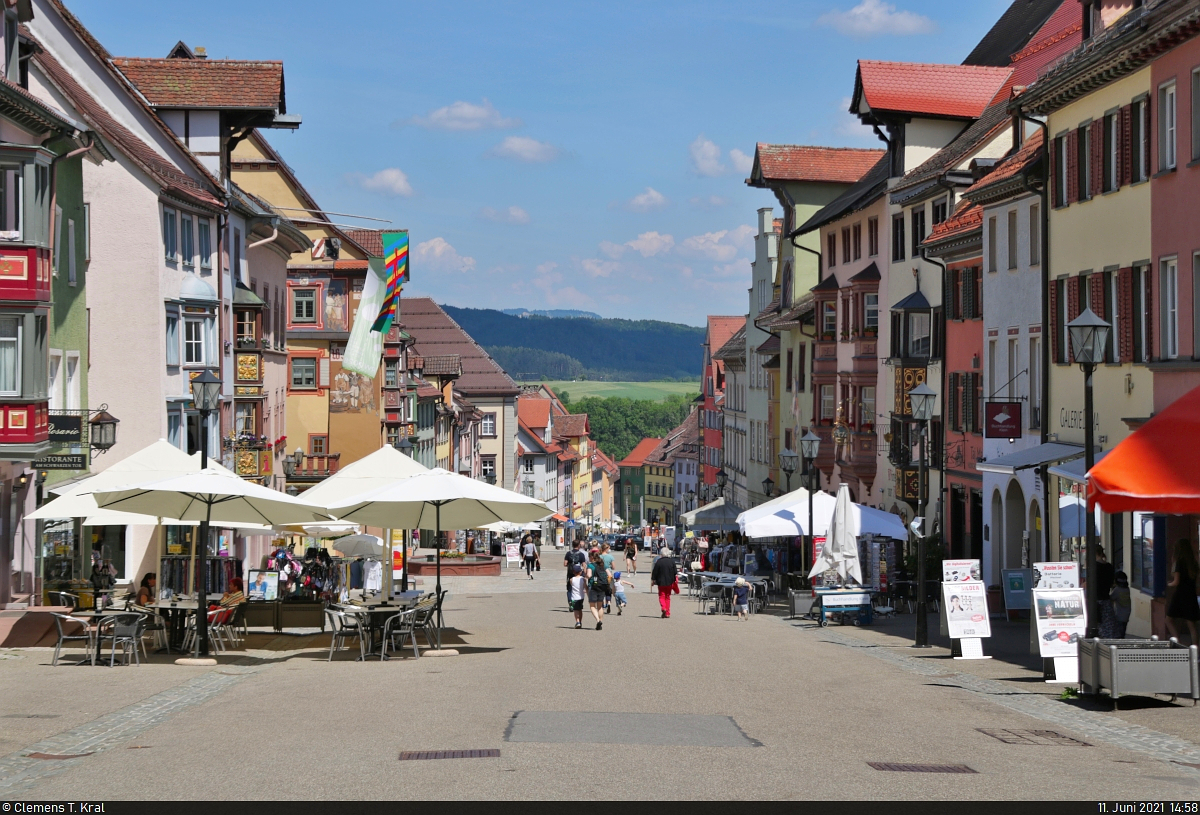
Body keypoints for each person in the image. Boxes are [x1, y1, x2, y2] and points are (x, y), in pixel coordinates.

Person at [1166, 538, 1200, 644]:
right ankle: (1196, 649)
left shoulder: (1179, 562)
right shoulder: (1193, 563)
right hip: (1191, 595)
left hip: (1180, 595)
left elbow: (1176, 582)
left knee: (1169, 619)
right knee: (1191, 624)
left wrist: (1168, 584)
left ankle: (1178, 642)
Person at [651, 547, 678, 618]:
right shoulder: (672, 561)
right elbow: (675, 572)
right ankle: (668, 613)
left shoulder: (659, 561)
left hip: (661, 582)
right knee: (668, 597)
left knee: (661, 596)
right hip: (670, 582)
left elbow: (655, 572)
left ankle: (663, 608)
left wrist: (653, 580)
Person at [586, 549, 610, 630]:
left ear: (592, 557)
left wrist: (585, 576)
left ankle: (598, 620)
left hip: (593, 586)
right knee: (600, 606)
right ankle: (601, 621)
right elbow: (610, 575)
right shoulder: (603, 565)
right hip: (602, 586)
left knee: (592, 606)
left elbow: (589, 575)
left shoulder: (590, 565)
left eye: (589, 556)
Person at [563, 541, 586, 606]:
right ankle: (579, 601)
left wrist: (570, 565)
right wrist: (585, 572)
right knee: (579, 587)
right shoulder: (581, 554)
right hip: (579, 572)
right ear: (579, 545)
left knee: (569, 588)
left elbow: (565, 564)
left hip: (570, 572)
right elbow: (584, 564)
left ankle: (570, 601)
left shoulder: (568, 553)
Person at [1109, 571, 1131, 639]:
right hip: (1126, 613)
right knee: (1123, 630)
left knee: (1118, 632)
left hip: (1119, 615)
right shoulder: (1127, 589)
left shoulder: (1117, 590)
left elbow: (1111, 598)